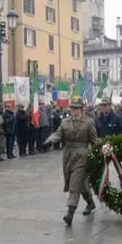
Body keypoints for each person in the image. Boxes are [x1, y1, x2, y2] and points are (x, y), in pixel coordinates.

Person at [44, 96, 98, 227]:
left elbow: (94, 140)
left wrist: (105, 148)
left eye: (77, 108)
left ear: (82, 109)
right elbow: (58, 134)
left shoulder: (89, 122)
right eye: (72, 108)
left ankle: (70, 213)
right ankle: (90, 202)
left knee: (75, 183)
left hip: (82, 155)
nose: (74, 110)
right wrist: (49, 140)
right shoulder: (65, 122)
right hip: (68, 156)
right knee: (81, 183)